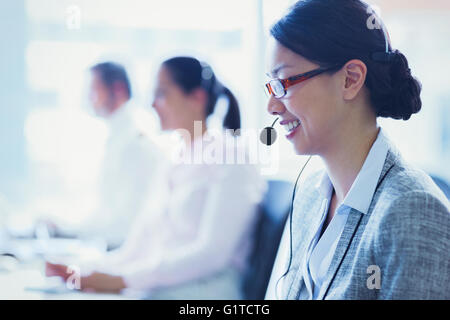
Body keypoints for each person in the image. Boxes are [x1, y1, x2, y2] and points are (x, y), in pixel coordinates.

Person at [264, 0, 450, 300]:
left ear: (350, 79)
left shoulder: (412, 210)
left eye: (284, 81)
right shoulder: (311, 193)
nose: (272, 106)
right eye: (271, 85)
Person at [46, 57, 266, 299]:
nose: (151, 104)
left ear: (197, 98)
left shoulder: (230, 156)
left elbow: (212, 254)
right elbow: (137, 248)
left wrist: (123, 280)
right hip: (160, 287)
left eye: (161, 94)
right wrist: (87, 271)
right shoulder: (173, 160)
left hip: (202, 293)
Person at [81, 62, 164, 247]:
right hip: (114, 245)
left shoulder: (133, 144)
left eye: (94, 89)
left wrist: (68, 229)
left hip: (123, 247)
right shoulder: (119, 138)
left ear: (118, 89)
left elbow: (125, 222)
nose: (88, 98)